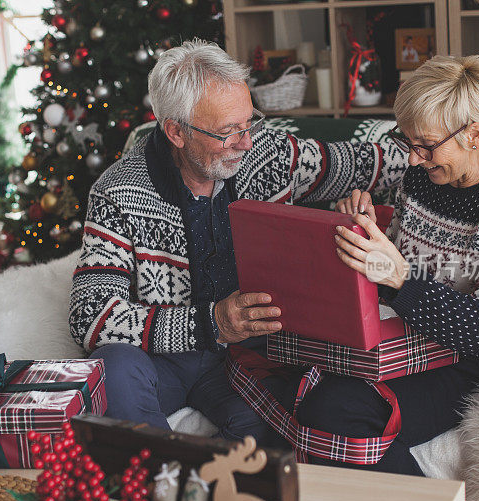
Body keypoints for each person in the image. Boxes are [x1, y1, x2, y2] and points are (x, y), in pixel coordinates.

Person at [68, 38, 412, 443]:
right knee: (112, 369)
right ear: (176, 132)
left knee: (278, 426)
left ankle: (230, 490)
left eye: (249, 123)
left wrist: (437, 143)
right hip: (162, 361)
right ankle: (161, 484)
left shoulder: (263, 154)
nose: (246, 142)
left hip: (248, 359)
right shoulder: (118, 192)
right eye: (228, 132)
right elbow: (88, 315)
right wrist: (209, 323)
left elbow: (353, 163)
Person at [296, 55, 479, 475]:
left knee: (334, 410)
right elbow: (389, 267)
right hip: (395, 341)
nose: (413, 160)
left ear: (475, 134)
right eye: (407, 142)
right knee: (300, 385)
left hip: (460, 365)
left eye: (426, 146)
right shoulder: (422, 178)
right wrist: (360, 231)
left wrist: (401, 278)